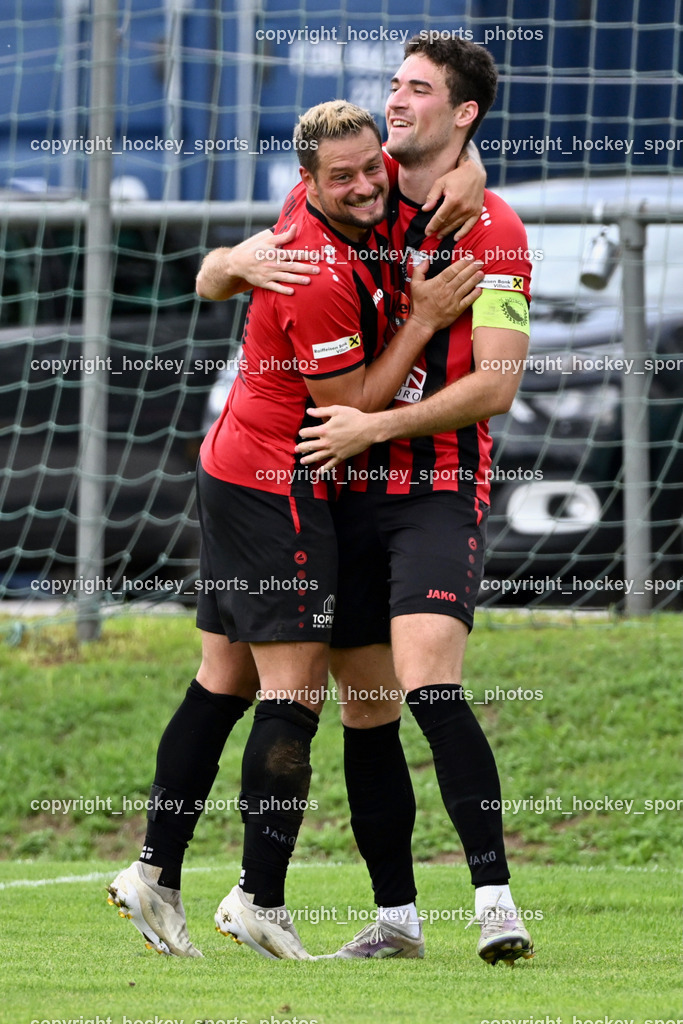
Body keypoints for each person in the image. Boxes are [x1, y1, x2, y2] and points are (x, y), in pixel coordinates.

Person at [106, 98, 484, 960]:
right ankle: (256, 897)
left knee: (222, 680)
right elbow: (349, 409)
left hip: (239, 464)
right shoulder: (311, 269)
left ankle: (153, 874)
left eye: (369, 169)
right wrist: (424, 319)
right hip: (277, 481)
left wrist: (222, 264)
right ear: (305, 184)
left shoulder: (331, 206)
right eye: (341, 177)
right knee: (293, 694)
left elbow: (217, 274)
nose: (361, 187)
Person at [292, 34, 535, 967]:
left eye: (416, 88)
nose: (394, 99)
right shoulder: (356, 186)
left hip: (432, 486)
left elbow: (497, 386)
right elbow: (278, 227)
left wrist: (375, 428)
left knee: (431, 679)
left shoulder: (496, 229)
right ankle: (395, 918)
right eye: (392, 82)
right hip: (339, 492)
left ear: (463, 112)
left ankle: (496, 905)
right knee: (363, 710)